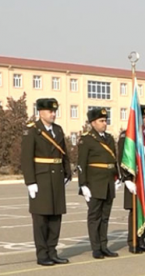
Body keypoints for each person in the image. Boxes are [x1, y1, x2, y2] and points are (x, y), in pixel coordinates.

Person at [21, 98, 72, 266]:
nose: (53, 114)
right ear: (40, 112)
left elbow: (63, 152)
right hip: (41, 178)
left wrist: (67, 172)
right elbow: (26, 158)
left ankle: (52, 251)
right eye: (50, 111)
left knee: (56, 217)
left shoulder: (58, 130)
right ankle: (42, 255)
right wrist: (30, 182)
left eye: (54, 111)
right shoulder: (32, 130)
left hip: (56, 178)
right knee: (41, 219)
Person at [77, 108, 120, 259]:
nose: (104, 123)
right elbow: (81, 163)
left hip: (108, 183)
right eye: (101, 121)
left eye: (105, 120)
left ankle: (104, 245)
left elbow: (114, 159)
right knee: (94, 217)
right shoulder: (87, 139)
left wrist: (117, 177)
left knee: (105, 217)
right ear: (93, 122)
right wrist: (83, 185)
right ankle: (96, 248)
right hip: (94, 183)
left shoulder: (109, 138)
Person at [118, 105, 145, 254]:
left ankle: (142, 240)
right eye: (143, 118)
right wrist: (126, 178)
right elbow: (122, 158)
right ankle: (133, 242)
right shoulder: (127, 136)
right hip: (135, 178)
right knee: (135, 211)